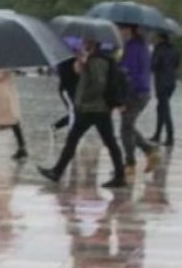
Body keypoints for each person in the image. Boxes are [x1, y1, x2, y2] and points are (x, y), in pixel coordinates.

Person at [37, 40, 127, 189]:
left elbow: (98, 83)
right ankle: (57, 171)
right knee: (101, 141)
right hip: (95, 109)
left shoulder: (97, 61)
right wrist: (82, 64)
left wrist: (84, 98)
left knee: (84, 140)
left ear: (94, 45)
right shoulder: (94, 60)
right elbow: (83, 76)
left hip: (93, 109)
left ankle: (57, 172)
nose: (84, 44)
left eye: (87, 43)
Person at [118, 24, 161, 174]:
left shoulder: (134, 47)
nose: (118, 31)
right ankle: (150, 151)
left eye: (120, 28)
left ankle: (130, 163)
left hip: (135, 93)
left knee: (125, 129)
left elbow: (130, 74)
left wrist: (124, 99)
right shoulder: (138, 46)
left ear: (129, 29)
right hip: (142, 91)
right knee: (128, 126)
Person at [150, 32, 180, 147]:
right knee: (161, 108)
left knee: (165, 110)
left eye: (156, 37)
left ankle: (170, 136)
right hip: (171, 83)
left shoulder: (158, 50)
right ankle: (157, 134)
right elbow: (176, 65)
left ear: (160, 38)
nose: (154, 39)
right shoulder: (174, 50)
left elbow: (153, 66)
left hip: (161, 83)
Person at [52, 56, 79, 133]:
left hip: (75, 89)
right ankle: (72, 136)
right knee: (74, 111)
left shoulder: (73, 58)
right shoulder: (65, 61)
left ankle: (56, 126)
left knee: (79, 113)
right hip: (67, 89)